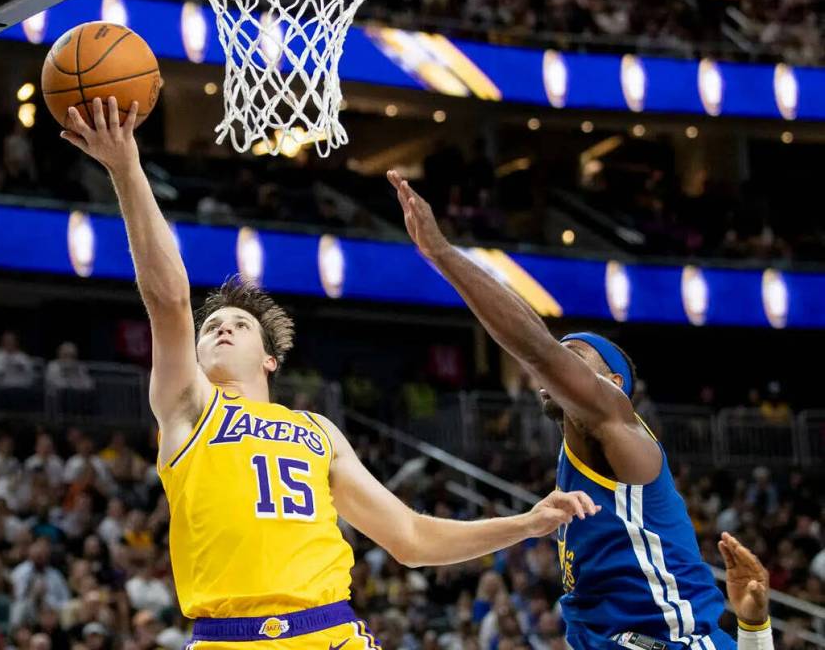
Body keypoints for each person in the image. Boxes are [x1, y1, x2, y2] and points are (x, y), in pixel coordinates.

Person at [59, 97, 599, 650]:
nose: (220, 329)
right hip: (228, 638)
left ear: (270, 358)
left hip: (330, 633)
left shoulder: (317, 431)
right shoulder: (188, 408)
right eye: (210, 326)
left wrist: (526, 524)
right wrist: (126, 168)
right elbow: (168, 299)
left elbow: (410, 537)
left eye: (239, 325)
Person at [387, 170, 734, 649]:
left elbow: (537, 349)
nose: (557, 366)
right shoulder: (574, 463)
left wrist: (443, 254)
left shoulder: (617, 423)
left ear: (613, 383)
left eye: (577, 357)